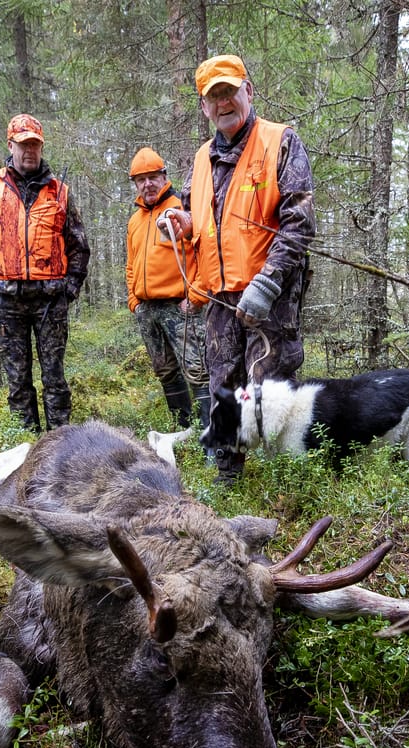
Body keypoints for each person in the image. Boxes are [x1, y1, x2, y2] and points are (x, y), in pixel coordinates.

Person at [162, 54, 316, 484]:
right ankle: (227, 473)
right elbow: (197, 216)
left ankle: (288, 478)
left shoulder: (279, 141)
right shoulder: (201, 157)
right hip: (218, 296)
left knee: (271, 386)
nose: (223, 102)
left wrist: (268, 282)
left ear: (249, 91)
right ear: (204, 106)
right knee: (222, 384)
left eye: (230, 91)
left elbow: (299, 222)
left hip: (270, 294)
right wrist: (180, 222)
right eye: (214, 96)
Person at [0, 113, 90, 432]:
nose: (29, 151)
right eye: (23, 145)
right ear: (11, 145)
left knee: (54, 379)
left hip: (50, 302)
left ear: (41, 146)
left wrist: (70, 289)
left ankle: (60, 444)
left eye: (34, 144)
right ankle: (25, 448)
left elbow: (78, 244)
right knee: (18, 383)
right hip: (6, 302)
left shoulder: (59, 191)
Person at [125, 146, 210, 429]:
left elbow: (204, 253)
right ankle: (183, 428)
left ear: (164, 176)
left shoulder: (181, 209)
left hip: (179, 306)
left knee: (197, 370)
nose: (147, 184)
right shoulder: (135, 221)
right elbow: (130, 264)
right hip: (147, 310)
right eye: (141, 179)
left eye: (153, 177)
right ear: (135, 183)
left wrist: (196, 295)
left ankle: (208, 434)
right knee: (165, 371)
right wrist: (134, 302)